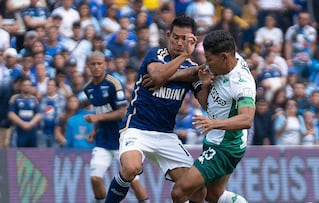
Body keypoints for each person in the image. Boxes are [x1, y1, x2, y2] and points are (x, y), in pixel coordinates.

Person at [105, 15, 206, 203]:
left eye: (185, 39)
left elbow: (206, 103)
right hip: (137, 127)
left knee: (198, 191)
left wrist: (205, 80)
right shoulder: (155, 54)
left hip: (166, 134)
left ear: (193, 40)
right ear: (168, 35)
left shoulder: (193, 69)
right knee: (130, 168)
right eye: (176, 37)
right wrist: (186, 55)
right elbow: (158, 77)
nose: (179, 42)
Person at [171, 30, 256, 203]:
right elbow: (207, 105)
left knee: (179, 192)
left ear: (224, 57)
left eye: (210, 60)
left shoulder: (242, 84)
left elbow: (247, 119)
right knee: (213, 195)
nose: (207, 64)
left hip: (225, 146)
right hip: (216, 139)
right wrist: (204, 85)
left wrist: (214, 123)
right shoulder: (227, 59)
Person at [83, 51, 149, 203]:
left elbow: (122, 112)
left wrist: (97, 118)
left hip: (123, 140)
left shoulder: (114, 83)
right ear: (88, 66)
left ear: (105, 64)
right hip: (103, 141)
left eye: (99, 63)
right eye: (93, 64)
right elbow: (99, 109)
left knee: (133, 180)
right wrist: (94, 129)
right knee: (95, 178)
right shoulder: (88, 88)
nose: (96, 67)